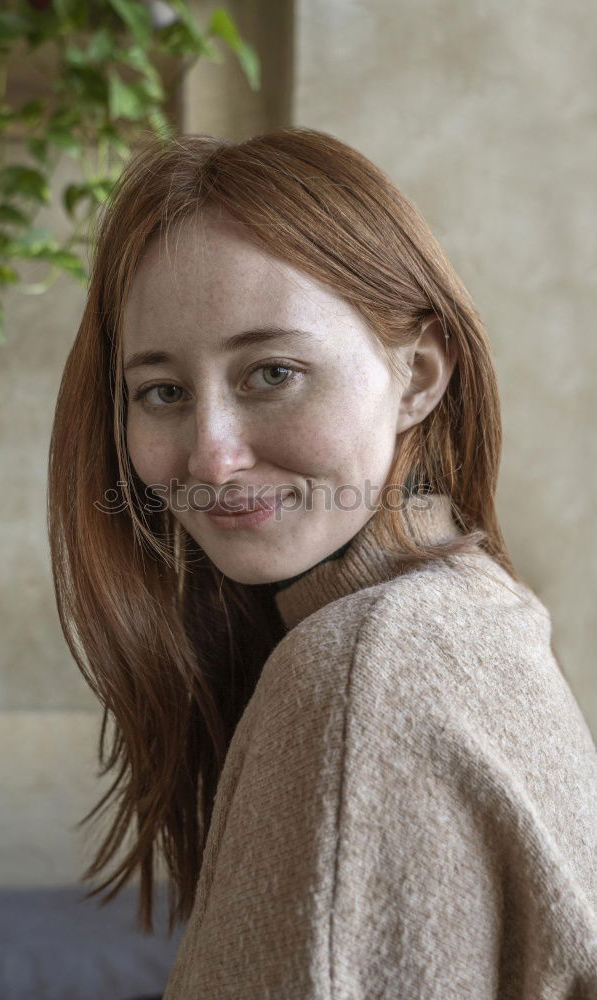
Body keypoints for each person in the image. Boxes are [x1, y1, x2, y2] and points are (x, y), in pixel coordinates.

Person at [47, 127, 597, 998]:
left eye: (272, 373)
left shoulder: (362, 670)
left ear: (416, 375)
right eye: (162, 391)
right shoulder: (467, 605)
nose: (211, 458)